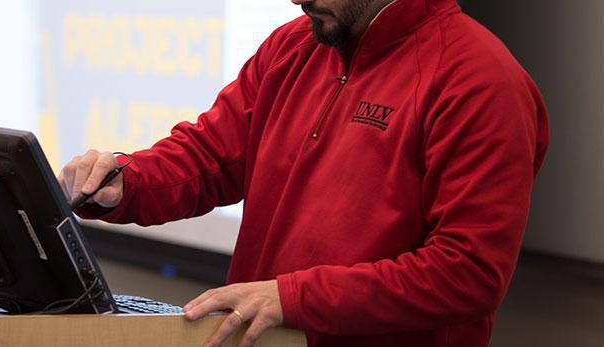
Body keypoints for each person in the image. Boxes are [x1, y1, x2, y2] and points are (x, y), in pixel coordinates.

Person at [58, 0, 549, 346]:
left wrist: (294, 298)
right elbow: (210, 154)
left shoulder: (480, 80)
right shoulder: (294, 46)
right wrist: (128, 181)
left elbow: (467, 272)